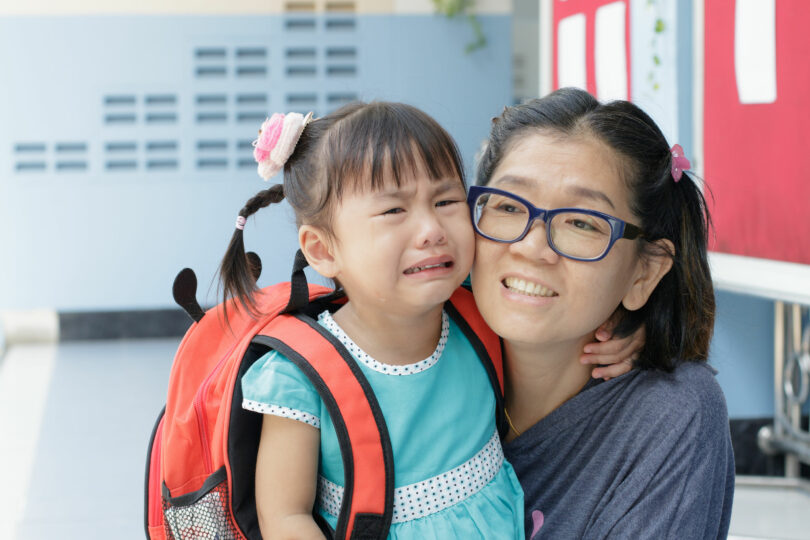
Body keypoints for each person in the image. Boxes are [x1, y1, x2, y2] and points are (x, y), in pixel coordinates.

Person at [469, 87, 735, 539]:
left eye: (581, 223)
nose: (532, 247)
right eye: (509, 206)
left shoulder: (669, 415)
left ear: (644, 273)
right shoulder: (414, 358)